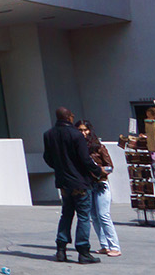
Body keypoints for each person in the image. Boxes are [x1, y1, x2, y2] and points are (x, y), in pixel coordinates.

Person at [43, 107, 101, 264]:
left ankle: (61, 249)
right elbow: (85, 159)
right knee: (83, 216)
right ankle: (83, 251)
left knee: (66, 214)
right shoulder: (76, 135)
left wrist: (60, 168)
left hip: (63, 181)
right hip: (79, 181)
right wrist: (97, 171)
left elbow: (47, 158)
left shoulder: (49, 134)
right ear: (69, 117)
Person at [79, 121, 121, 257]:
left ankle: (114, 246)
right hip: (87, 184)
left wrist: (98, 171)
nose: (83, 133)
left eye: (85, 130)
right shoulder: (78, 148)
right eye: (80, 130)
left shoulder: (99, 147)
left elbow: (110, 166)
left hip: (100, 183)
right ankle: (104, 245)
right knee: (94, 216)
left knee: (104, 215)